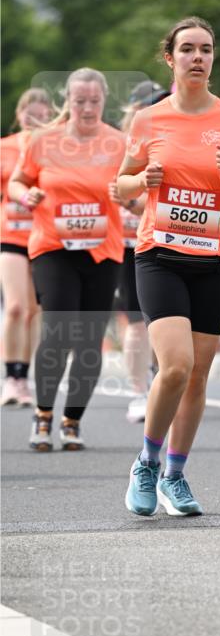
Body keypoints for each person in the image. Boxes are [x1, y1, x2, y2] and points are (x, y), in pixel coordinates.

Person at [117, 16, 220, 517]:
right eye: (188, 50)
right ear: (170, 58)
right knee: (175, 364)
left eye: (206, 49)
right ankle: (147, 462)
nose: (198, 57)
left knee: (198, 376)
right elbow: (121, 185)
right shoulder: (148, 120)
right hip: (159, 254)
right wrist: (143, 181)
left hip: (215, 258)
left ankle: (176, 474)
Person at [8, 69, 125, 450]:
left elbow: (138, 192)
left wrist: (128, 193)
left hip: (102, 250)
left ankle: (72, 420)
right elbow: (18, 181)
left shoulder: (119, 143)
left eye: (94, 101)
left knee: (90, 341)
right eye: (80, 101)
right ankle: (42, 415)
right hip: (53, 247)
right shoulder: (44, 141)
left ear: (104, 101)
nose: (88, 108)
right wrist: (26, 196)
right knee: (58, 332)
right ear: (67, 102)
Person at [114, 80, 170, 423]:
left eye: (161, 103)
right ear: (134, 110)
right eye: (150, 104)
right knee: (136, 322)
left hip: (166, 240)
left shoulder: (170, 142)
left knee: (162, 323)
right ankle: (138, 392)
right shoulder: (115, 146)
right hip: (126, 242)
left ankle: (158, 381)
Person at [0, 88, 54, 407]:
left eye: (42, 114)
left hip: (44, 237)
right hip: (10, 235)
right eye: (29, 114)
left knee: (35, 311)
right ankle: (11, 378)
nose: (35, 119)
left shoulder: (54, 150)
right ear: (19, 115)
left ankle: (24, 377)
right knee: (16, 306)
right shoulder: (5, 148)